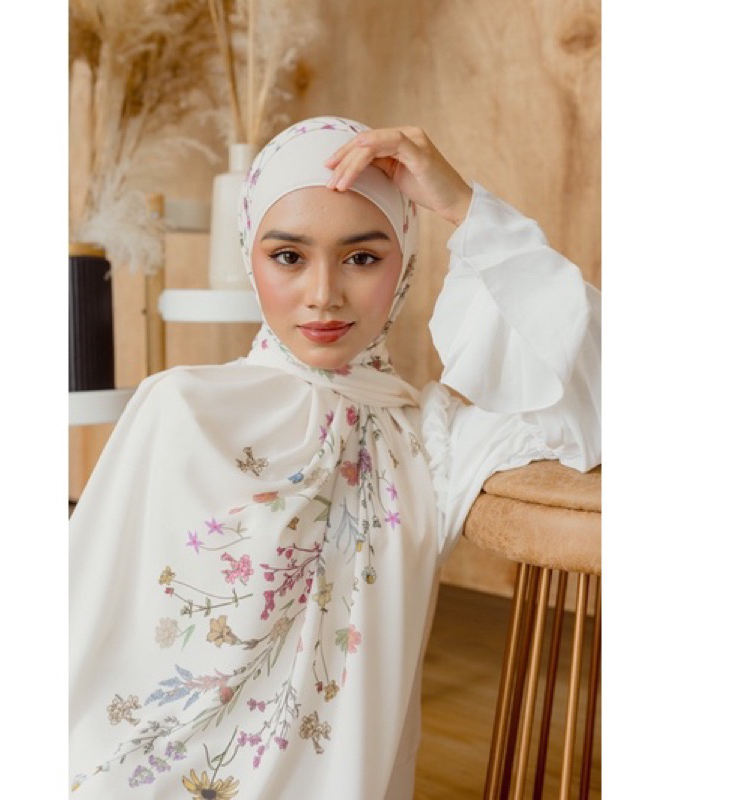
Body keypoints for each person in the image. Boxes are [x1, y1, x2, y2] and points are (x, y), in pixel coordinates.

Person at [69, 116, 600, 799]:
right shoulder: (179, 407)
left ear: (405, 262)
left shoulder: (431, 440)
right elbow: (86, 634)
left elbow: (603, 404)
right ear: (250, 256)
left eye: (362, 258)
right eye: (289, 257)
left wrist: (467, 208)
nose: (324, 294)